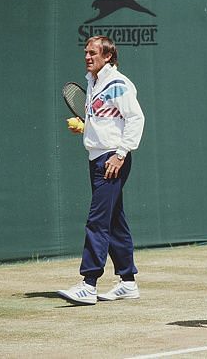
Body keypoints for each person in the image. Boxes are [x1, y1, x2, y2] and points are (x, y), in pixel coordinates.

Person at [57, 36, 145, 305]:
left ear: (108, 56)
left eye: (93, 53)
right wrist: (85, 128)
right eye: (85, 52)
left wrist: (120, 154)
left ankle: (89, 282)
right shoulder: (93, 82)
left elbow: (135, 118)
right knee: (114, 220)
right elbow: (109, 120)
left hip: (111, 159)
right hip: (97, 156)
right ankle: (128, 281)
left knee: (97, 220)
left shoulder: (118, 84)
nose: (87, 56)